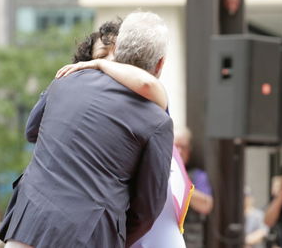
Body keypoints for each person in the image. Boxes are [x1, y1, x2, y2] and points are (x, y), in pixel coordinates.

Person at [0, 11, 174, 248]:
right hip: (92, 236)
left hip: (28, 225)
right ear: (160, 64)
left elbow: (32, 130)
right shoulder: (158, 120)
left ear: (117, 47)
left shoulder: (67, 78)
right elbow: (147, 210)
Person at [55, 21, 192, 247]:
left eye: (115, 54)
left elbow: (149, 203)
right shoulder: (75, 103)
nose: (110, 62)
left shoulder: (151, 105)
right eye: (101, 55)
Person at [174, 128, 213, 248]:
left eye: (183, 147)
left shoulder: (198, 176)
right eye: (175, 147)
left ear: (189, 151)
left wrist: (180, 181)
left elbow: (206, 206)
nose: (179, 151)